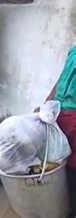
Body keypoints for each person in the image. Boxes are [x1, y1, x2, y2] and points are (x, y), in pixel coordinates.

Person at [43, 45, 76, 214]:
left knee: (67, 162)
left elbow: (59, 80)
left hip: (66, 114)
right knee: (63, 162)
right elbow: (61, 79)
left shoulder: (73, 51)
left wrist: (48, 102)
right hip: (64, 113)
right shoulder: (73, 51)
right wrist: (47, 103)